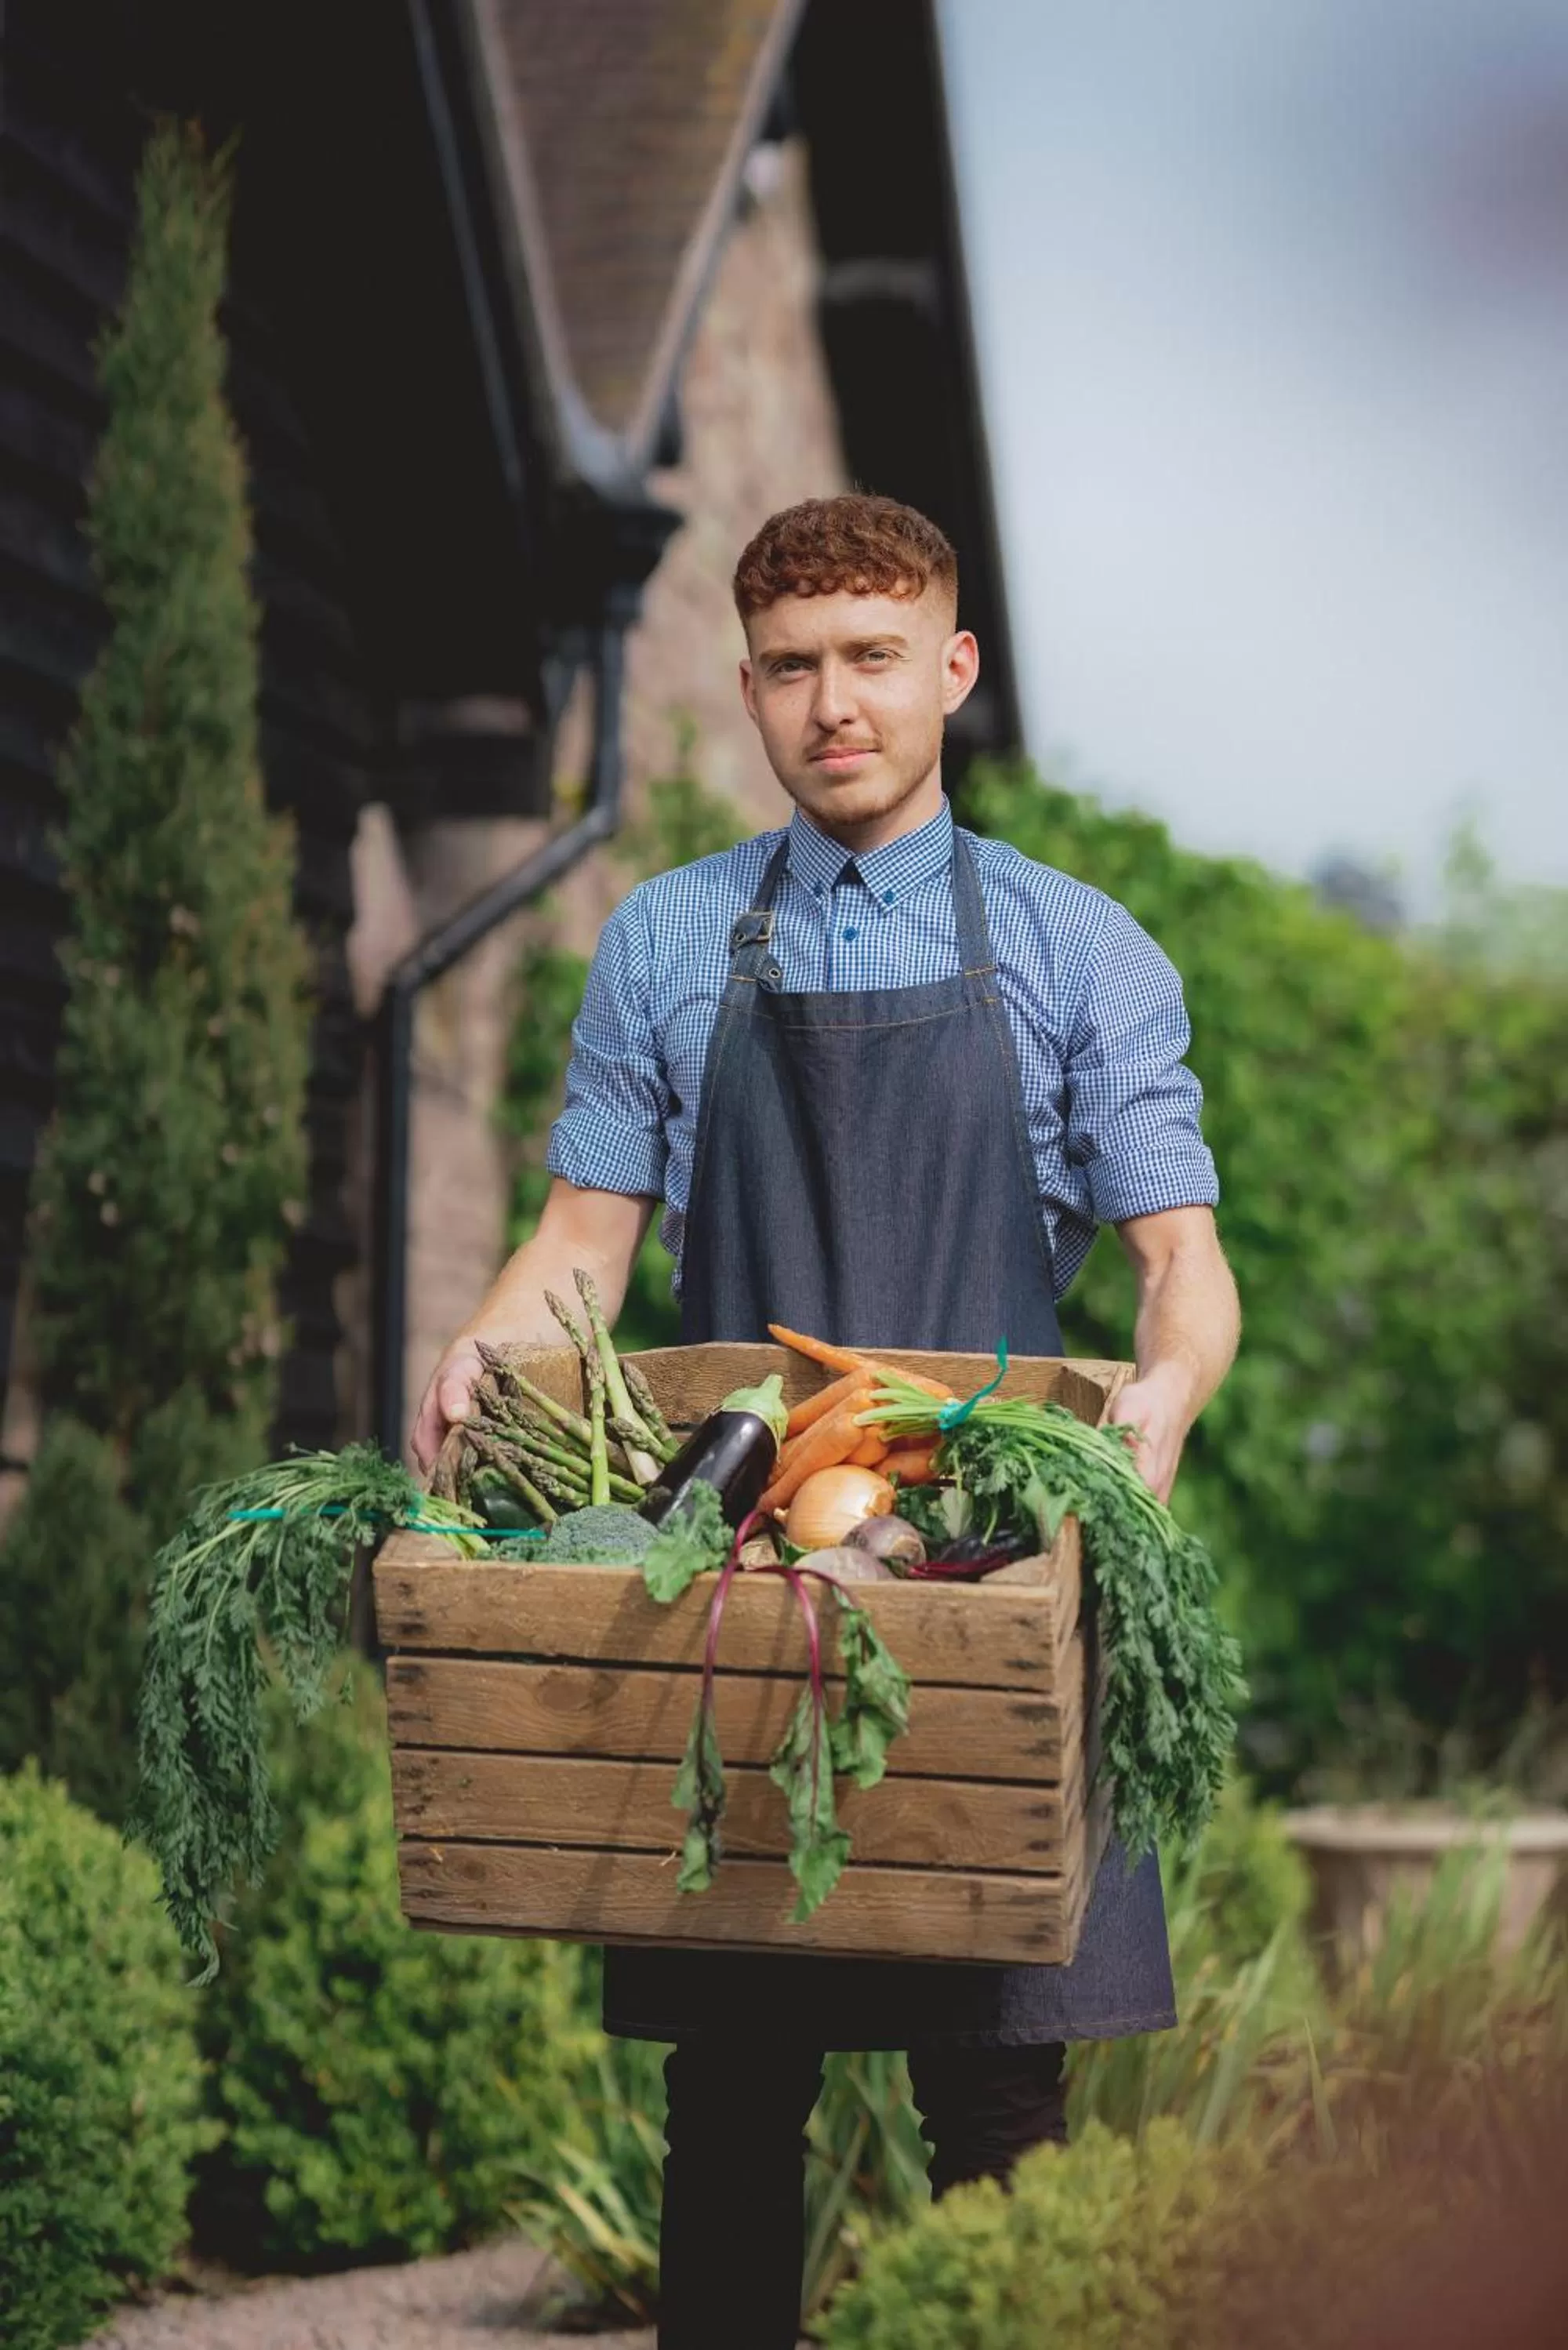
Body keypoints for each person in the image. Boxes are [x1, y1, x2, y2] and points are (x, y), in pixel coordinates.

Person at [412, 492, 1240, 2348]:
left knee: (1003, 2108)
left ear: (952, 669)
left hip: (990, 1577)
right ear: (750, 688)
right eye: (791, 668)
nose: (833, 703)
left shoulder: (1074, 948)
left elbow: (1183, 1262)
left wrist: (1165, 1391)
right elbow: (580, 1243)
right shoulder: (667, 940)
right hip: (741, 1579)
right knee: (728, 2101)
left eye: (873, 658)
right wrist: (484, 1351)